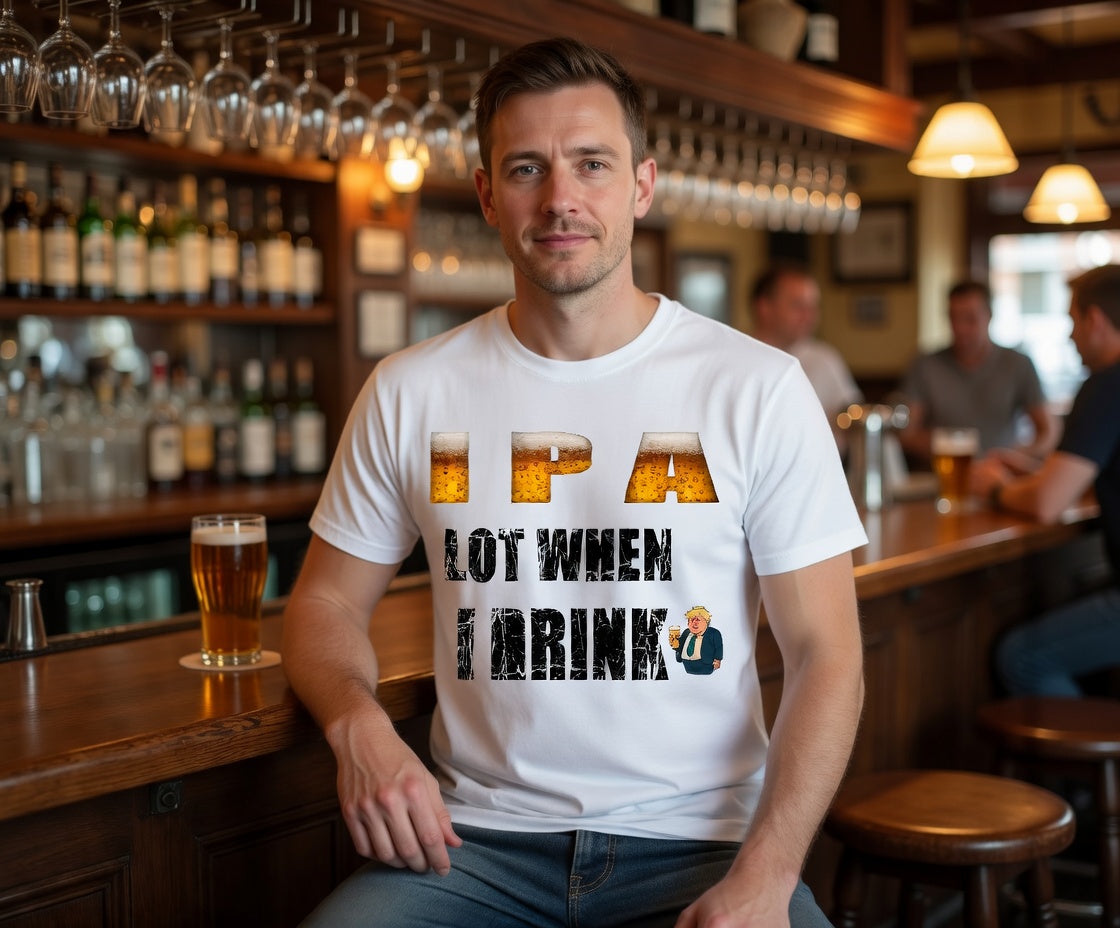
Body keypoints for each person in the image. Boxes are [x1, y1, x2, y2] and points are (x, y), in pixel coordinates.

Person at [282, 36, 866, 928]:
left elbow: (828, 655)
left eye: (592, 163)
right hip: (471, 846)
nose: (561, 197)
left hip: (701, 845)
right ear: (488, 194)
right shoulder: (410, 390)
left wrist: (769, 872)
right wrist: (355, 725)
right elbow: (323, 604)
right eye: (527, 168)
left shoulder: (756, 388)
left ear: (642, 185)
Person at [971, 264, 1120, 696]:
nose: (1071, 336)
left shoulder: (1107, 385)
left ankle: (1092, 742)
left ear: (1095, 320)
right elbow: (1085, 477)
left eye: (1073, 321)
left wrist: (993, 487)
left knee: (1021, 656)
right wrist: (1036, 473)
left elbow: (1047, 504)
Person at [898, 279, 1059, 461]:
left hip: (1000, 472)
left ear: (989, 316)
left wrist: (1014, 458)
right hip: (942, 472)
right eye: (953, 318)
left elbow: (1049, 432)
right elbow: (907, 434)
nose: (960, 328)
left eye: (970, 319)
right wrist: (948, 445)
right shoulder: (925, 365)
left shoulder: (1018, 364)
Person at [750, 263, 863, 447]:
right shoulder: (740, 360)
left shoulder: (825, 359)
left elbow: (854, 416)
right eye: (798, 306)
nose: (809, 316)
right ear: (765, 307)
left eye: (813, 307)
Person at [671, 605, 724, 675]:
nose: (694, 622)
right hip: (687, 667)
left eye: (698, 620)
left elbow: (718, 647)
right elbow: (680, 647)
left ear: (706, 622)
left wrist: (718, 660)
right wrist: (675, 644)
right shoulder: (686, 632)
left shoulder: (713, 633)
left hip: (705, 666)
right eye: (691, 620)